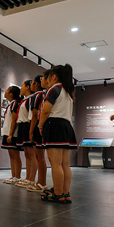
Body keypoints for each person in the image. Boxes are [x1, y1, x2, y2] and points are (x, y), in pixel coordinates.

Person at [37, 64, 77, 203]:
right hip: (66, 126)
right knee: (65, 164)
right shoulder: (68, 93)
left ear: (54, 77)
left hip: (54, 125)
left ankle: (58, 194)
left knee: (55, 163)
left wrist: (40, 126)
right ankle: (65, 193)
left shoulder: (54, 90)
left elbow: (46, 111)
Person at [13, 80, 38, 189]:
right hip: (23, 126)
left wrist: (31, 130)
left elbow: (33, 115)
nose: (21, 88)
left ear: (28, 87)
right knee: (27, 154)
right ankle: (28, 178)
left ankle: (32, 179)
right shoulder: (25, 100)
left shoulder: (31, 99)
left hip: (28, 124)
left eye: (22, 86)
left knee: (32, 154)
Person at [1, 85, 22, 184]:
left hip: (13, 134)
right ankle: (13, 176)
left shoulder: (15, 104)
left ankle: (17, 176)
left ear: (11, 94)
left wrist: (10, 134)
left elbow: (14, 120)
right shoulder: (11, 104)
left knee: (15, 155)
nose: (5, 91)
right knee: (11, 155)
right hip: (7, 132)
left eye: (7, 90)